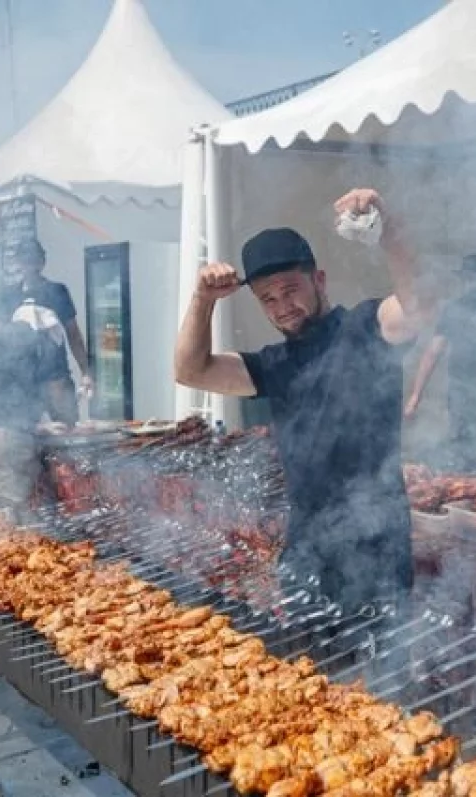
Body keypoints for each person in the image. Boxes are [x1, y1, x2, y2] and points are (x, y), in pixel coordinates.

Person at [173, 188, 427, 612]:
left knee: (374, 673)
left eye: (290, 290)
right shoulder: (274, 364)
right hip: (306, 549)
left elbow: (416, 309)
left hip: (377, 549)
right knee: (305, 668)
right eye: (267, 300)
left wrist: (390, 229)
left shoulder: (365, 328)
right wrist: (202, 301)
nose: (281, 306)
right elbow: (190, 371)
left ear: (319, 280)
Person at [0, 301, 77, 521]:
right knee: (11, 510)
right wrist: (64, 419)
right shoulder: (40, 342)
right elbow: (55, 387)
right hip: (9, 437)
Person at [403, 253, 476, 470]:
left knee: (471, 443)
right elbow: (434, 350)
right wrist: (415, 395)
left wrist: (416, 396)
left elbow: (433, 351)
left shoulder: (460, 307)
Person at [0, 240, 93, 401]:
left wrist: (86, 372)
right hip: (22, 382)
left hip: (56, 378)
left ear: (42, 261)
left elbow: (73, 334)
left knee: (65, 425)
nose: (30, 265)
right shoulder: (8, 296)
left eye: (34, 259)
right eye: (26, 260)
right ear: (18, 262)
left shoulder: (57, 291)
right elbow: (1, 340)